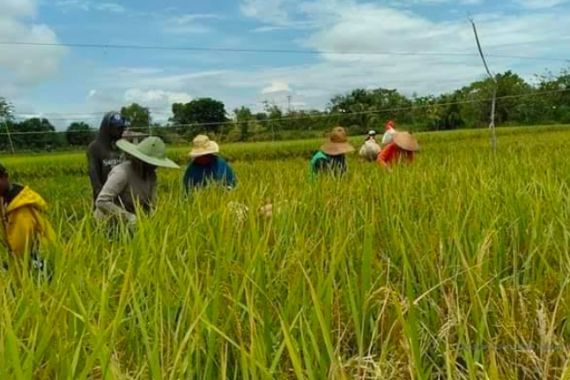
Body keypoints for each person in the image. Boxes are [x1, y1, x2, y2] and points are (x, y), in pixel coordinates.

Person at [94, 136, 179, 229]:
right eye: (151, 163)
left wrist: (155, 220)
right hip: (108, 223)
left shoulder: (152, 176)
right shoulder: (122, 173)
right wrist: (128, 217)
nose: (155, 167)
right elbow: (102, 201)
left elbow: (150, 204)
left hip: (132, 224)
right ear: (141, 160)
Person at [0, 164, 54, 269]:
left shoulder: (22, 206)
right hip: (23, 264)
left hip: (40, 263)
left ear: (5, 176)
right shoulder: (5, 202)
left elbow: (21, 245)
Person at [87, 112, 127, 204]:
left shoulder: (123, 146)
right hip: (104, 197)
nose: (120, 130)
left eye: (121, 127)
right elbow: (94, 175)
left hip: (123, 197)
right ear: (107, 128)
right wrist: (102, 198)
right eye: (116, 127)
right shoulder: (95, 147)